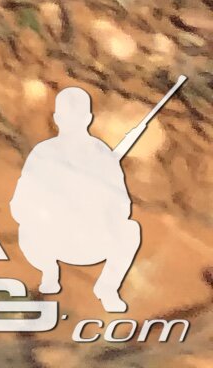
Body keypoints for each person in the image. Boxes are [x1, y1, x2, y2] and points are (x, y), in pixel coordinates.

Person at [11, 85, 143, 313]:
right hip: (55, 241)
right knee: (129, 230)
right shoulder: (46, 153)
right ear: (88, 118)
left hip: (82, 242)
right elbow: (20, 205)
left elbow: (122, 206)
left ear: (57, 118)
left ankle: (104, 287)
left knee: (130, 230)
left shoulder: (99, 155)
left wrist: (91, 205)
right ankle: (51, 271)